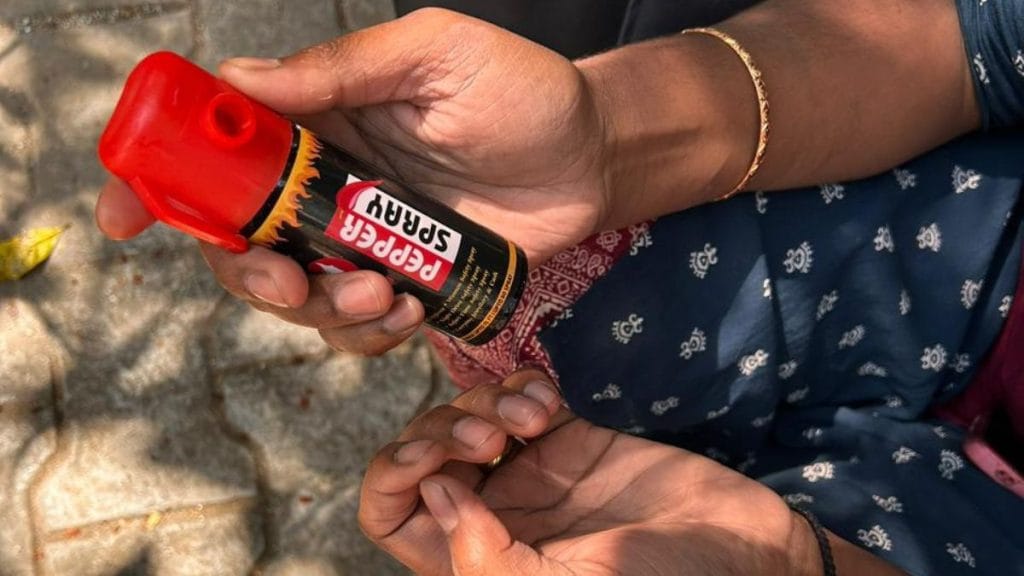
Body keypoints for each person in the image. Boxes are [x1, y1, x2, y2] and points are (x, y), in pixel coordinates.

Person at [95, 0, 1024, 574]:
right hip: (967, 243)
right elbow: (983, 37)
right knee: (595, 300)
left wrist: (785, 564)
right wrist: (610, 137)